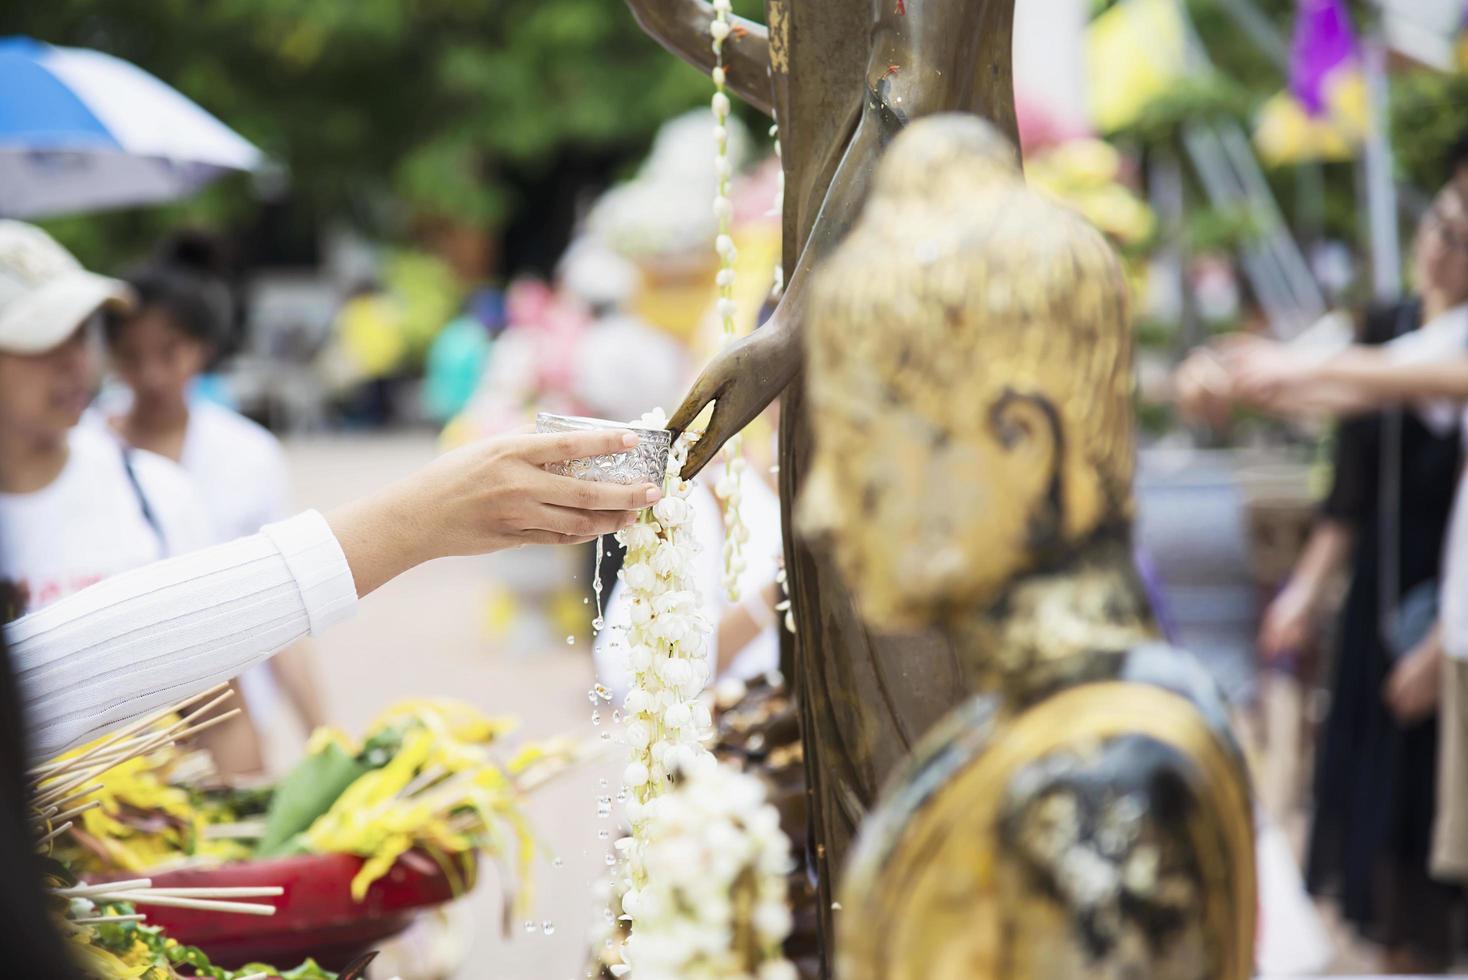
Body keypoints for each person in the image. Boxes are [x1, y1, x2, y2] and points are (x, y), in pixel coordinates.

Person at [1177, 180, 1468, 972]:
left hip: (1447, 609)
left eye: (1462, 238)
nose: (1441, 247)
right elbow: (1345, 462)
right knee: (1385, 830)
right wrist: (1238, 375)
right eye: (1439, 224)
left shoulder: (1421, 353)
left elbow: (1357, 378)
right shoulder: (1393, 330)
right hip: (1389, 595)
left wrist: (1276, 374)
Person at [99, 262, 324, 774]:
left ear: (202, 347)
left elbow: (281, 602)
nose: (152, 374)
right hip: (115, 740)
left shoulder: (248, 454)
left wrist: (321, 734)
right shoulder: (89, 449)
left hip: (228, 716)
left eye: (169, 351)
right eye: (133, 356)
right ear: (112, 357)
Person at [0, 223, 213, 617]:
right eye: (42, 337)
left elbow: (218, 668)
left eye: (81, 332)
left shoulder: (158, 494)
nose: (74, 361)